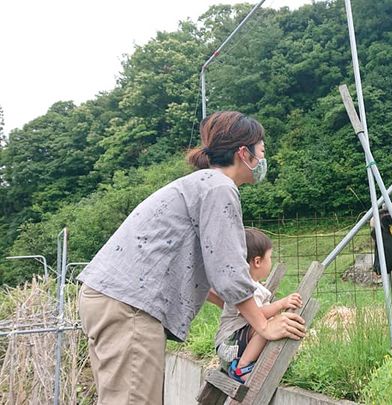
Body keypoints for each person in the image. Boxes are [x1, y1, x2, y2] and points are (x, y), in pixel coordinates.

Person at [77, 111, 305, 404]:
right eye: (262, 151)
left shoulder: (202, 183)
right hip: (130, 305)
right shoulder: (219, 188)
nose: (263, 159)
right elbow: (228, 272)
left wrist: (246, 309)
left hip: (111, 298)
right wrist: (263, 326)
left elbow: (209, 279)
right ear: (243, 153)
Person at [215, 228, 302, 383]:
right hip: (230, 345)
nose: (271, 261)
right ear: (257, 261)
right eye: (270, 257)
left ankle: (247, 362)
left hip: (232, 345)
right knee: (265, 324)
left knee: (268, 325)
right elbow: (257, 313)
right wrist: (281, 304)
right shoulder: (247, 288)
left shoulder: (248, 284)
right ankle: (243, 366)